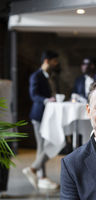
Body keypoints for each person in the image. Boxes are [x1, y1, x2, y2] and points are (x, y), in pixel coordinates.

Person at [23, 50, 59, 190]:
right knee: (44, 145)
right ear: (46, 61)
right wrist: (46, 100)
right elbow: (33, 95)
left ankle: (39, 175)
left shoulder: (50, 76)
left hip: (49, 116)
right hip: (38, 116)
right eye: (54, 61)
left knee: (43, 146)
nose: (56, 63)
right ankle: (38, 173)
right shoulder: (36, 76)